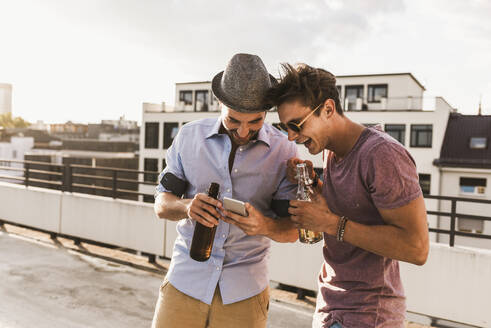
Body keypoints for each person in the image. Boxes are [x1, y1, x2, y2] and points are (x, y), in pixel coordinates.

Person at [265, 63, 429, 328]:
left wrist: (329, 224)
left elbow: (416, 247)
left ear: (328, 109)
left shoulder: (382, 155)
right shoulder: (332, 152)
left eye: (296, 125)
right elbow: (352, 209)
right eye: (286, 128)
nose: (292, 137)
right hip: (332, 308)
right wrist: (315, 185)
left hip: (367, 315)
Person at [151, 53, 298, 328]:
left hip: (245, 293)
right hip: (185, 282)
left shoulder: (284, 151)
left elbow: (291, 231)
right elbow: (161, 204)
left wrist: (263, 224)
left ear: (266, 112)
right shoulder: (188, 137)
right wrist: (186, 207)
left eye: (254, 122)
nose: (243, 131)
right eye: (234, 121)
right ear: (220, 103)